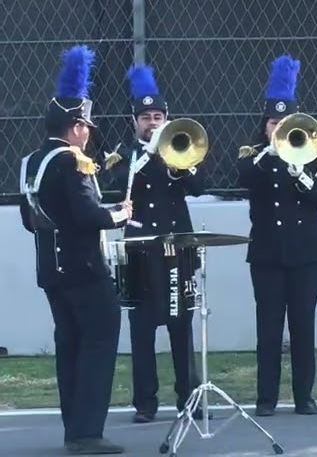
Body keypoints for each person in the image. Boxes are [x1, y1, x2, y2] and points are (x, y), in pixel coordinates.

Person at [18, 45, 133, 455]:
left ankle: (75, 429)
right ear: (75, 125)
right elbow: (88, 215)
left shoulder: (31, 162)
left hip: (51, 270)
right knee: (99, 343)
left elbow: (29, 219)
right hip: (84, 269)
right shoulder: (73, 161)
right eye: (85, 124)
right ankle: (87, 433)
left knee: (69, 346)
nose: (88, 132)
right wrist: (120, 214)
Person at [104, 63, 206, 423]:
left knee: (182, 326)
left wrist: (177, 162)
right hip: (140, 252)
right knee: (142, 329)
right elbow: (117, 186)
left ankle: (189, 399)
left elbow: (200, 187)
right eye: (146, 117)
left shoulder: (180, 147)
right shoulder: (123, 154)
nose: (152, 122)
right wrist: (148, 154)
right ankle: (145, 403)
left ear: (167, 118)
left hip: (178, 248)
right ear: (135, 121)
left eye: (158, 117)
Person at [236, 55, 317, 417]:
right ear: (264, 126)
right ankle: (267, 398)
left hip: (305, 255)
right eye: (273, 123)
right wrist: (270, 154)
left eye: (284, 123)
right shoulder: (253, 157)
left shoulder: (312, 157)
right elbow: (243, 178)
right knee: (269, 329)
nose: (278, 128)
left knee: (303, 326)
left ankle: (304, 396)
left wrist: (299, 173)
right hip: (266, 255)